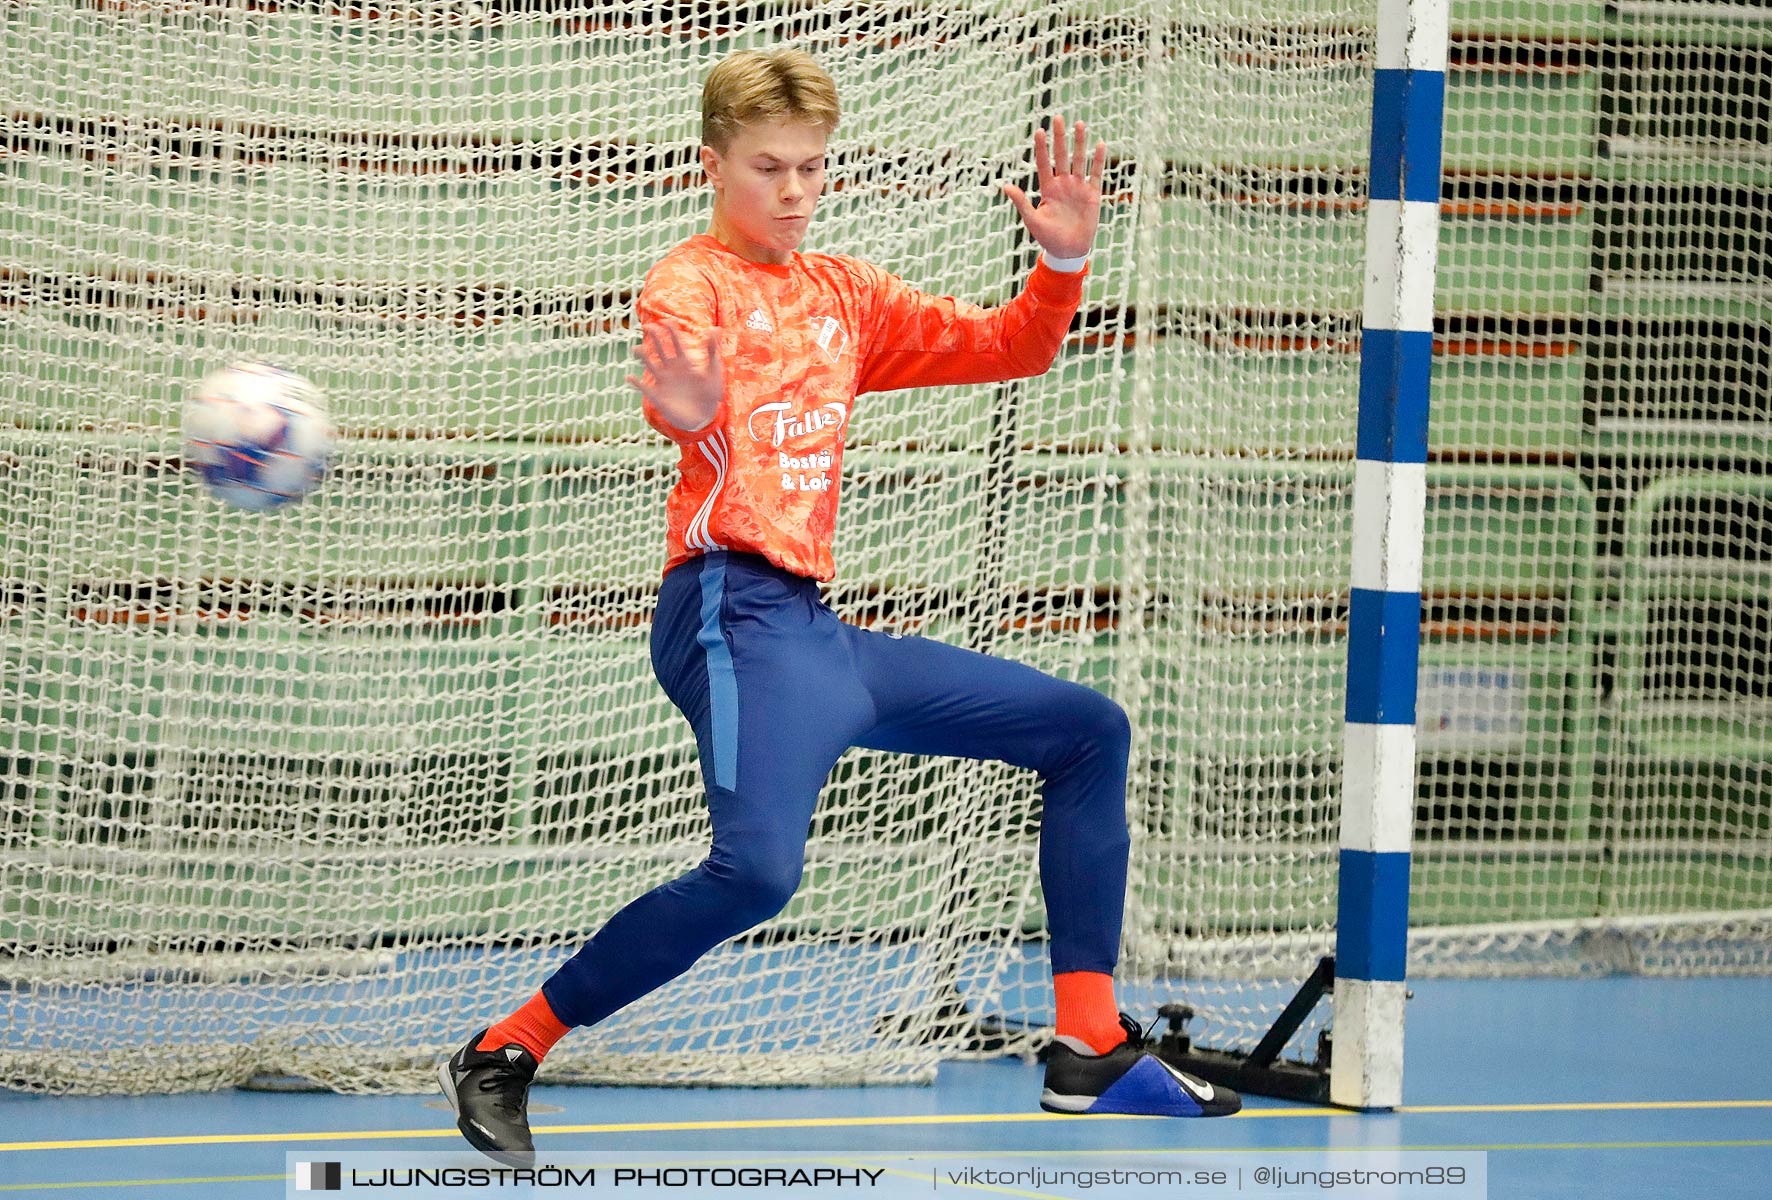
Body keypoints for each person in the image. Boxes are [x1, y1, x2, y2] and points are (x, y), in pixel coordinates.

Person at [438, 48, 1240, 1166]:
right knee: (758, 875)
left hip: (815, 634)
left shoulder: (844, 297)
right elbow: (684, 402)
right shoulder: (689, 284)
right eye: (768, 166)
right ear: (711, 164)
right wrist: (685, 415)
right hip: (724, 610)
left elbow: (1016, 346)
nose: (795, 190)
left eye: (810, 167)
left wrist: (1063, 261)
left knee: (1085, 730)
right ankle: (504, 1049)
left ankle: (1088, 1043)